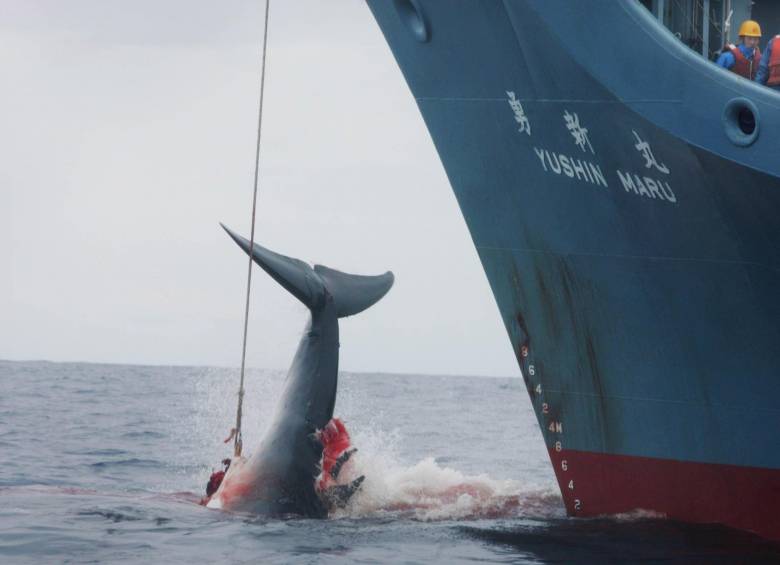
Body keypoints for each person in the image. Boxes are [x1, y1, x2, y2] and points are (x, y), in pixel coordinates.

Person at [316, 418, 364, 508]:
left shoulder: (333, 424)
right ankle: (348, 491)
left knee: (322, 479)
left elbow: (329, 427)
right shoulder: (340, 429)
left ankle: (338, 493)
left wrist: (319, 433)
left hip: (338, 455)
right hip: (344, 454)